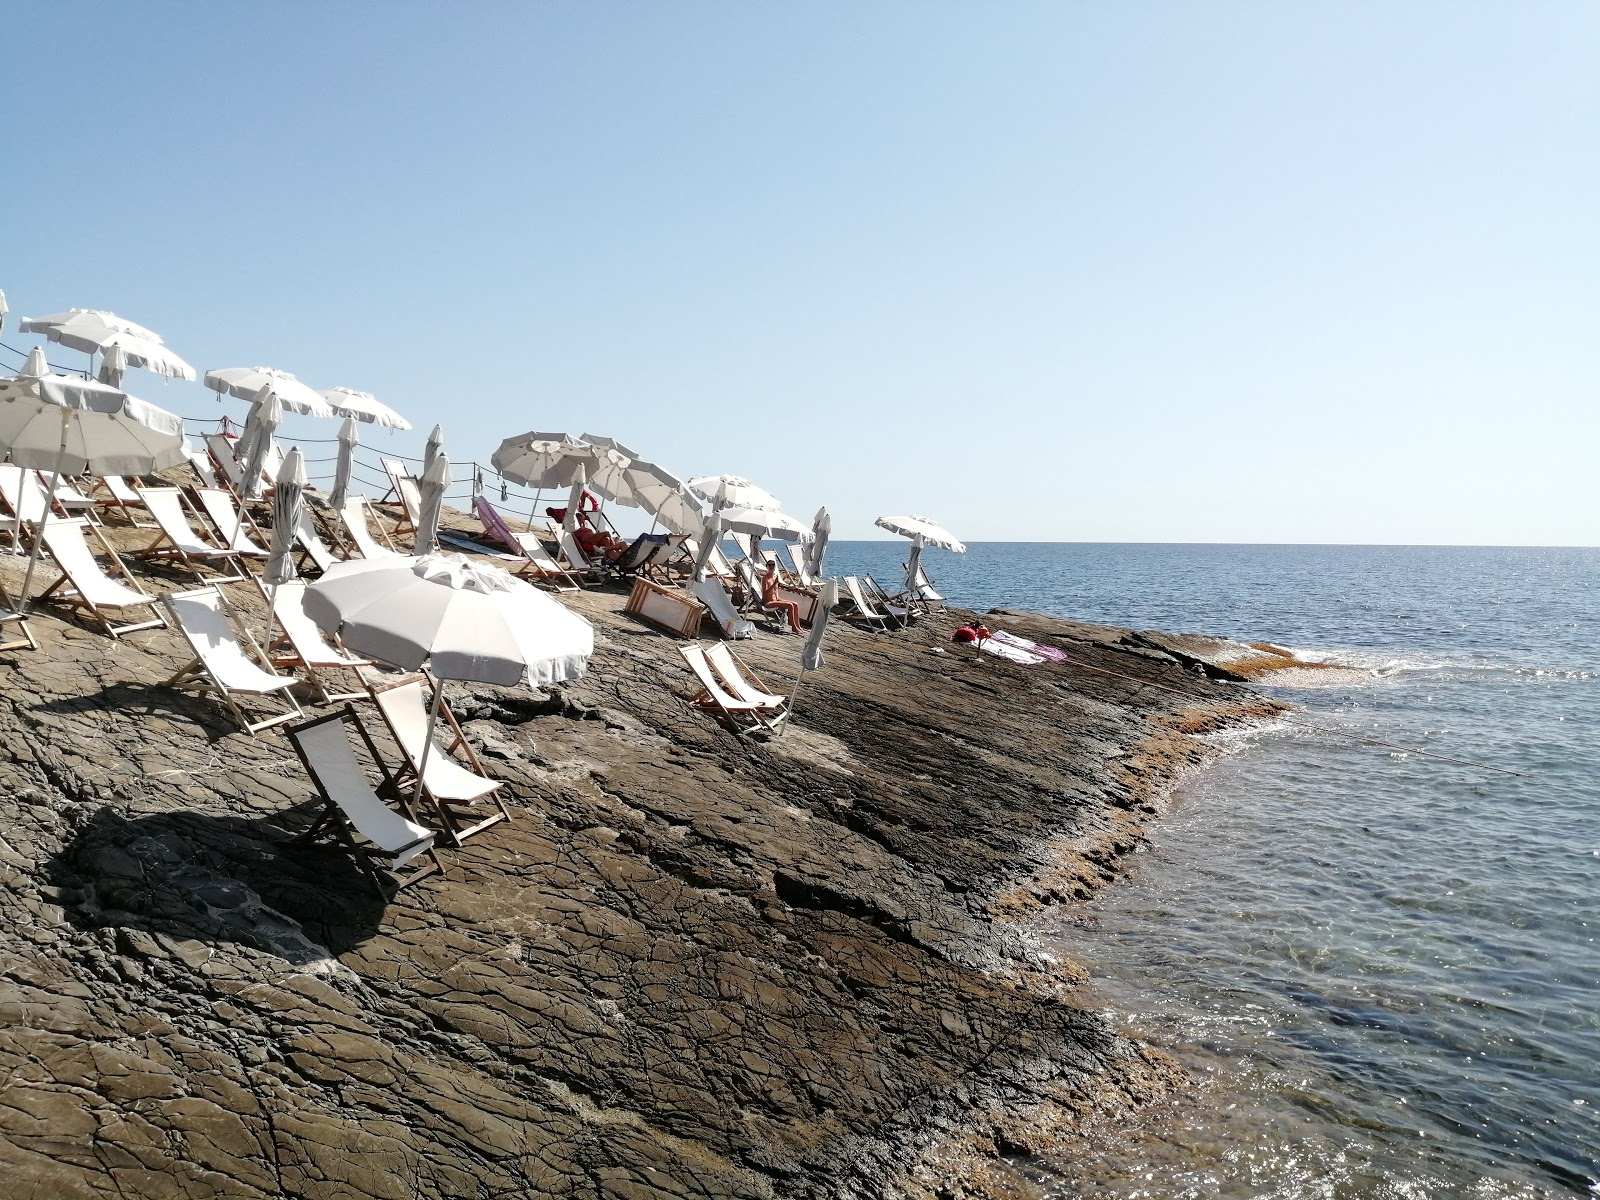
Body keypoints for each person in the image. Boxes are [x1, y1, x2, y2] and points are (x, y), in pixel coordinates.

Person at [761, 560, 804, 635]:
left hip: (776, 600)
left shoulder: (775, 576)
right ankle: (794, 627)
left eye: (773, 565)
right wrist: (774, 584)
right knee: (790, 605)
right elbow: (764, 593)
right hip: (768, 602)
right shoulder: (765, 578)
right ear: (767, 567)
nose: (771, 566)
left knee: (795, 604)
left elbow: (775, 590)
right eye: (769, 565)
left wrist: (778, 598)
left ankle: (798, 626)